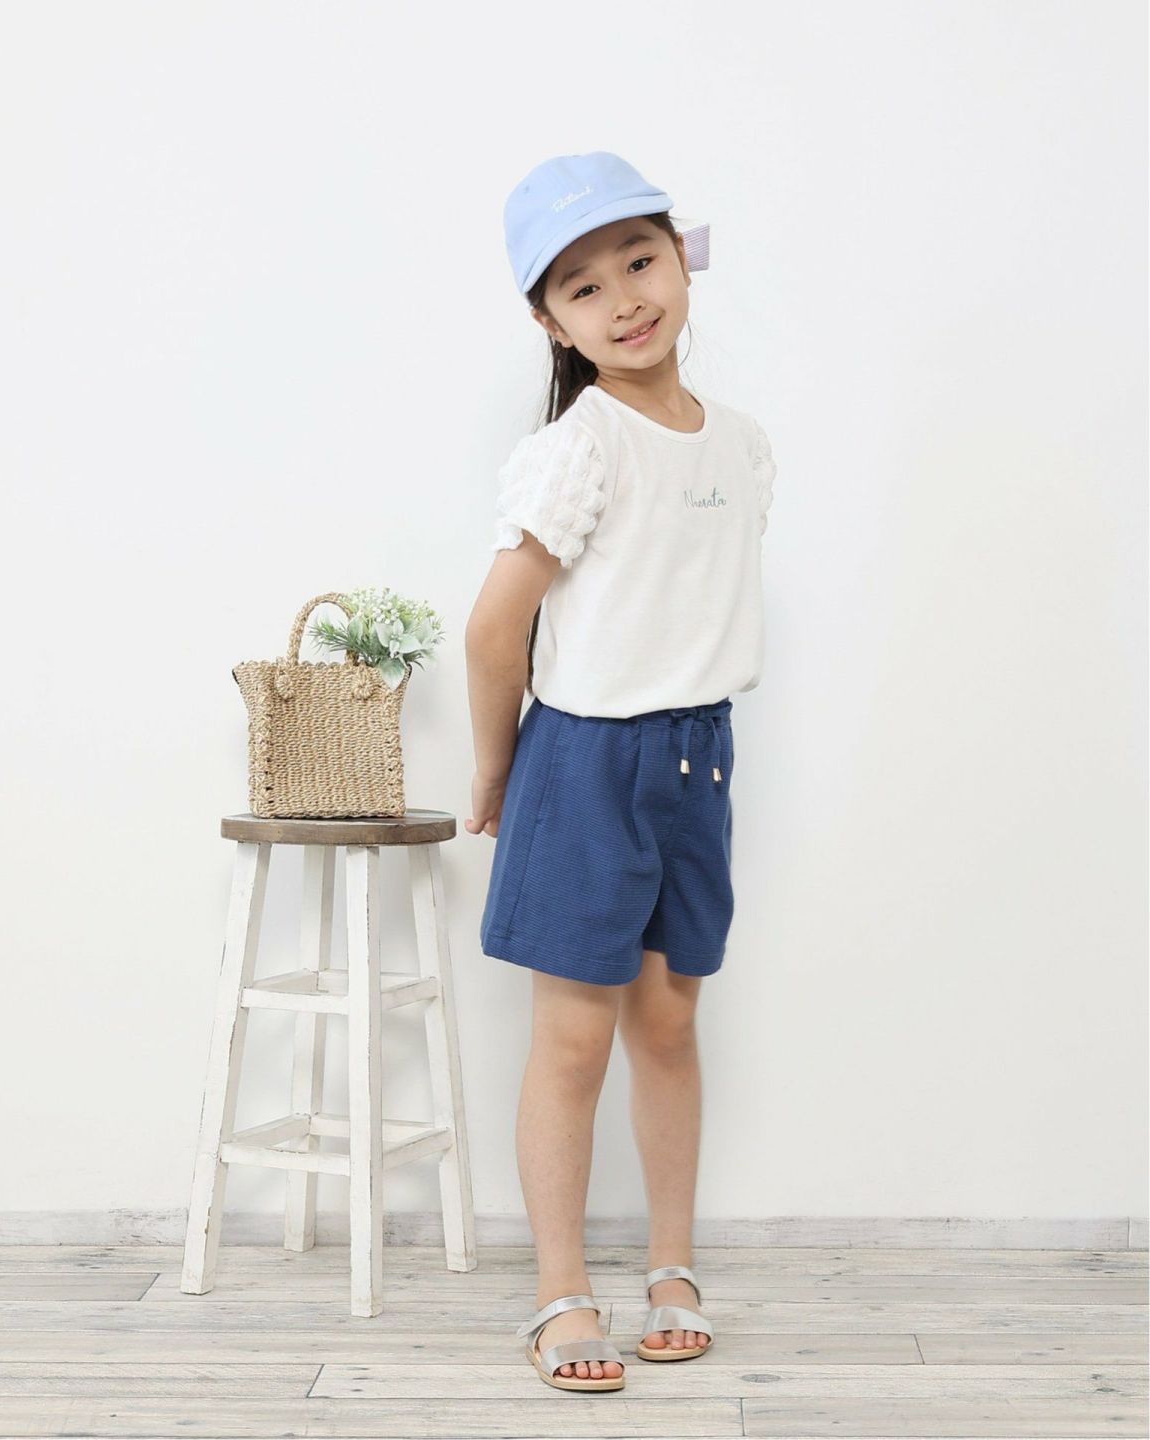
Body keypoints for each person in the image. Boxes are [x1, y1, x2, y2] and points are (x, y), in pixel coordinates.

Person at [463, 151, 777, 1393]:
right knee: (575, 1038)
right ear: (552, 322)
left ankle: (672, 1267)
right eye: (583, 288)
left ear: (681, 258)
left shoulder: (742, 446)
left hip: (698, 757)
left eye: (639, 261)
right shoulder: (578, 447)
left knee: (670, 1018)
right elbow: (497, 628)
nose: (624, 299)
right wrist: (499, 770)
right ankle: (559, 1292)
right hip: (586, 759)